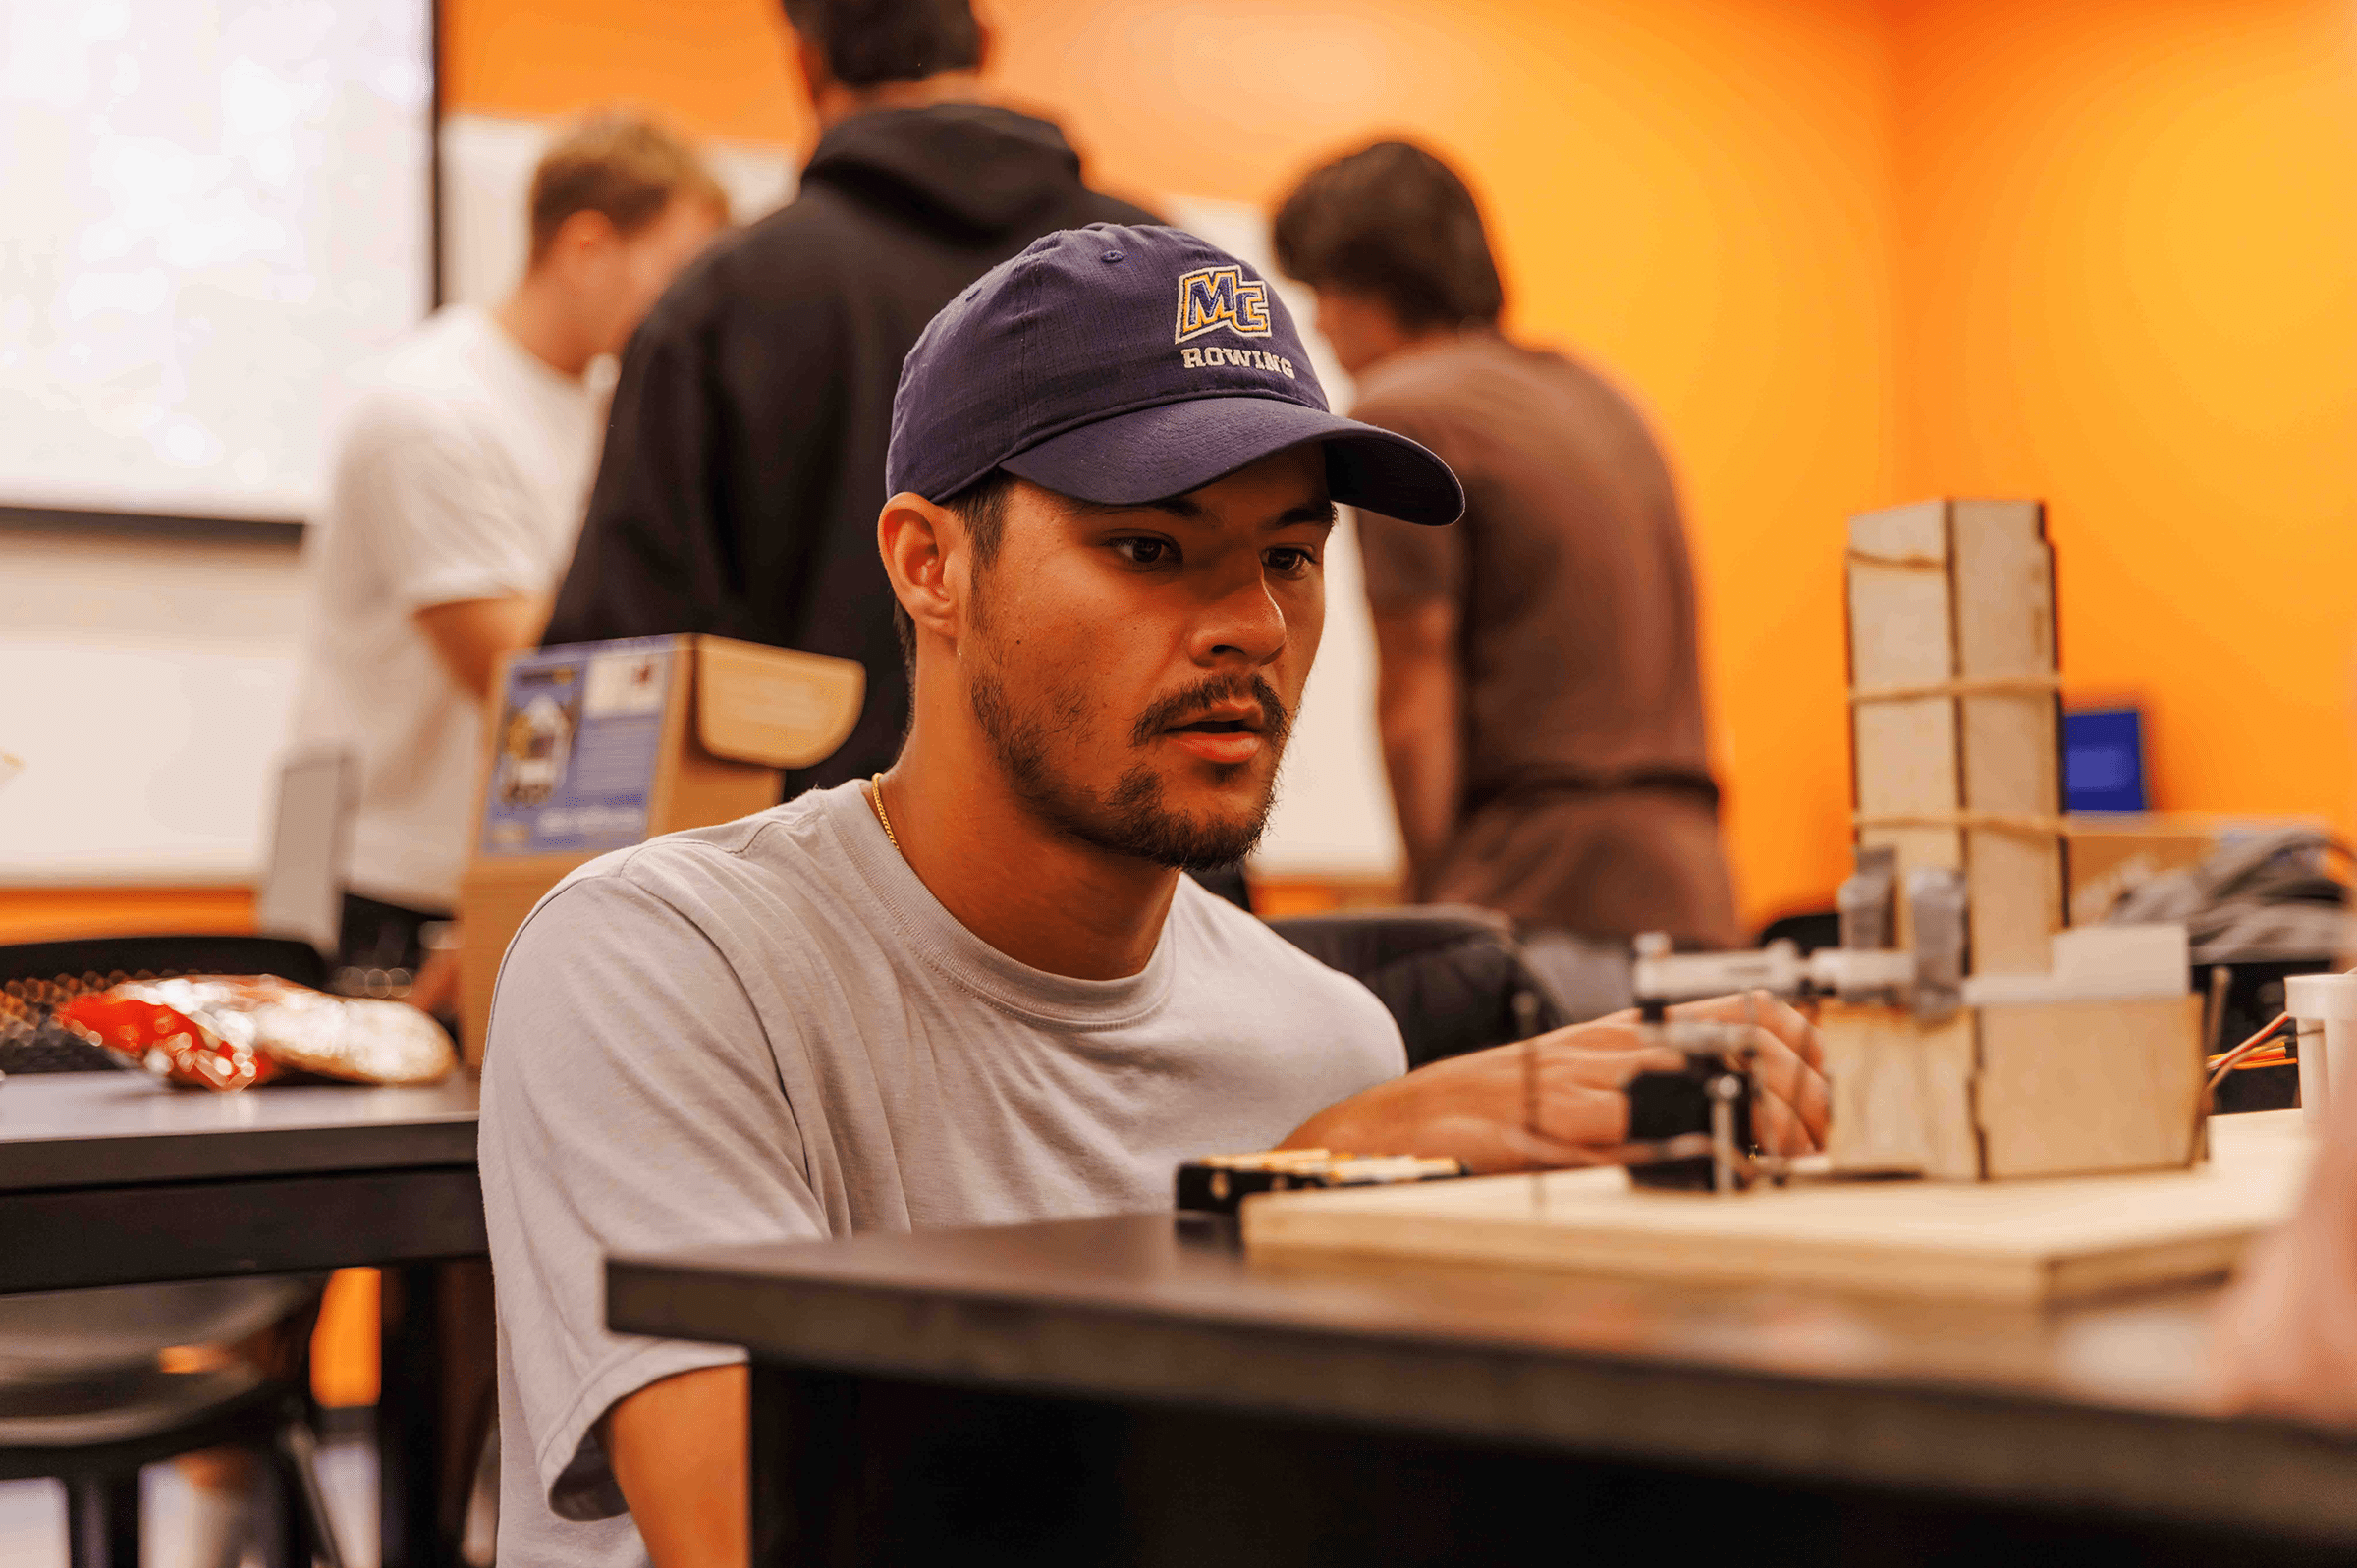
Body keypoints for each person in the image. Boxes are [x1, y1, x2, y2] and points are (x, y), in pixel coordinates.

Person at [479, 223, 1829, 1568]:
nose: (1252, 622)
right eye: (1149, 551)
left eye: (1291, 556)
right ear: (927, 563)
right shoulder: (662, 965)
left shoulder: (1325, 1036)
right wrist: (1271, 1199)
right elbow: (746, 1534)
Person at [539, 0, 1156, 804]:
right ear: (986, 44)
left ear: (806, 61)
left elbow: (617, 665)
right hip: (1145, 878)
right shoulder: (1157, 274)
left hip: (808, 899)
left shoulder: (724, 299)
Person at [1273, 140, 1741, 1018]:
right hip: (1697, 901)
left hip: (1545, 912)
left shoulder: (1409, 412)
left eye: (1319, 297)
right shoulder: (1599, 396)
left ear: (1359, 283)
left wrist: (1428, 911)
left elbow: (1416, 687)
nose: (1324, 330)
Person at [290, 114, 727, 1000]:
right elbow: (528, 686)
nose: (690, 308)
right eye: (679, 272)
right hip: (397, 890)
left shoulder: (608, 409)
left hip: (523, 877)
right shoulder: (432, 408)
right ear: (587, 245)